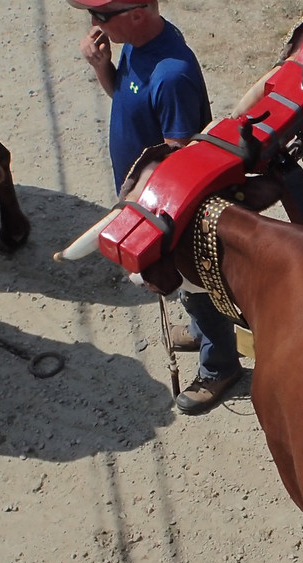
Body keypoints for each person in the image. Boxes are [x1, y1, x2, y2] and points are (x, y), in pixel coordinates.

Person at [70, 0, 243, 415]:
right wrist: (100, 66)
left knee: (194, 283)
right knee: (183, 288)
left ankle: (221, 365)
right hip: (144, 200)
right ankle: (203, 332)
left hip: (169, 208)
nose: (94, 24)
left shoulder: (172, 74)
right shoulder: (134, 44)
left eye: (101, 16)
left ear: (137, 13)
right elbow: (125, 97)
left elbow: (179, 164)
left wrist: (147, 221)